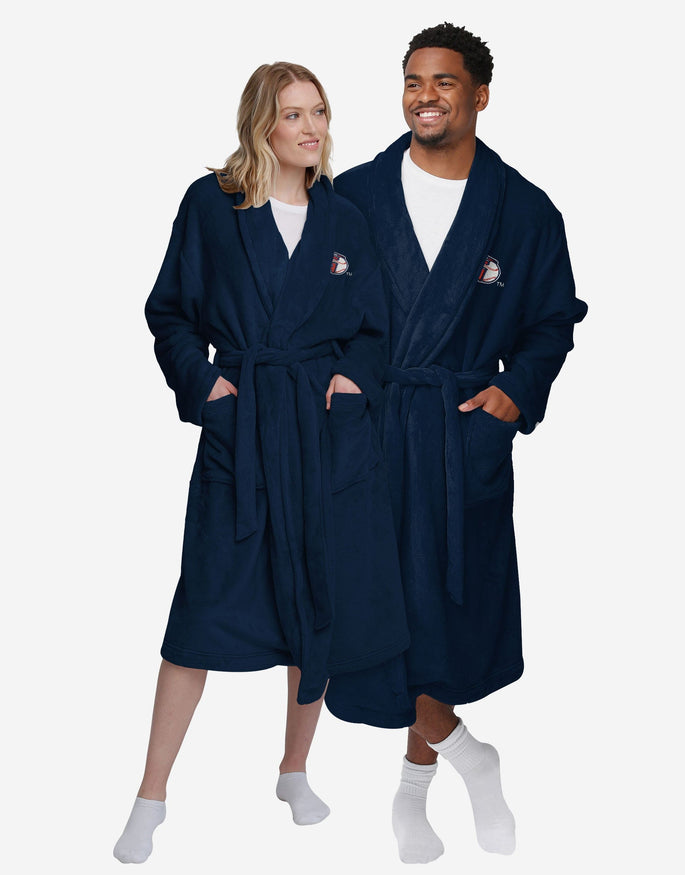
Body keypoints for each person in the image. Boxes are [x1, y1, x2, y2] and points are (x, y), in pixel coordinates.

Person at [113, 61, 408, 864]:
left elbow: (375, 329)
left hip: (321, 433)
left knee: (317, 601)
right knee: (201, 613)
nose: (311, 128)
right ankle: (150, 793)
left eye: (320, 112)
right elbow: (169, 311)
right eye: (293, 114)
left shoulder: (343, 218)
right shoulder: (212, 205)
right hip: (242, 430)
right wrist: (209, 389)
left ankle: (294, 769)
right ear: (261, 124)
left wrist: (353, 382)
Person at [324, 23, 588, 863]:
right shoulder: (354, 195)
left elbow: (552, 320)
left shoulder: (523, 209)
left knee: (433, 618)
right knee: (370, 618)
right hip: (367, 433)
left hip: (455, 433)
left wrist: (514, 394)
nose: (425, 95)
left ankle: (410, 794)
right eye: (413, 80)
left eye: (443, 81)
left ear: (480, 94)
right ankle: (470, 756)